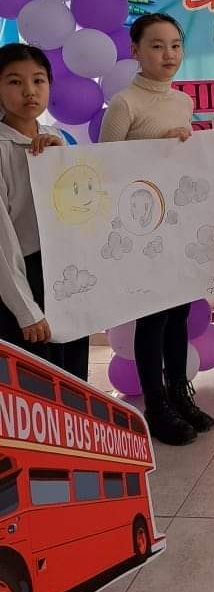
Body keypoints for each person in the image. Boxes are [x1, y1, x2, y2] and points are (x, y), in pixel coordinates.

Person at [100, 13, 214, 444]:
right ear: (135, 51)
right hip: (142, 229)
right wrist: (158, 150)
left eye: (175, 45)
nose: (168, 54)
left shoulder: (182, 101)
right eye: (157, 46)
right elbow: (107, 170)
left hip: (178, 225)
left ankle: (180, 393)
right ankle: (156, 405)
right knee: (153, 317)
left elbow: (185, 163)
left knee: (179, 311)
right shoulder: (124, 103)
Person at [0, 45, 89, 381]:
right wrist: (26, 310)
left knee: (74, 375)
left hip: (66, 271)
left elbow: (82, 207)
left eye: (38, 80)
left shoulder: (54, 137)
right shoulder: (3, 149)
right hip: (23, 277)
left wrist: (61, 159)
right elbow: (3, 243)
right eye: (14, 82)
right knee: (37, 383)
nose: (29, 91)